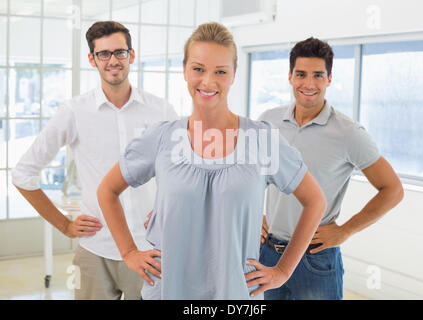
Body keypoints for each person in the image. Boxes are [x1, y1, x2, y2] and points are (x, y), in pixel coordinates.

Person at [97, 22, 326, 300]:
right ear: (184, 70)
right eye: (198, 69)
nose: (208, 81)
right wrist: (129, 252)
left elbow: (315, 201)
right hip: (167, 291)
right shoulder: (161, 137)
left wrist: (283, 270)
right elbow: (107, 190)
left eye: (220, 71)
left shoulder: (261, 139)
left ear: (233, 75)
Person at [11, 21, 178, 300]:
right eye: (104, 54)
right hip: (95, 249)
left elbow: (183, 172)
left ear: (131, 55)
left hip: (150, 247)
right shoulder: (74, 112)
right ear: (92, 59)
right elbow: (23, 174)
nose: (113, 60)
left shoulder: (161, 110)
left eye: (120, 52)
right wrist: (64, 225)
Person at [258, 37, 404, 300]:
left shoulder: (348, 133)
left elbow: (392, 189)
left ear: (329, 79)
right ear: (290, 76)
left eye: (318, 75)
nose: (309, 84)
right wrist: (254, 217)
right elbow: (250, 176)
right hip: (268, 253)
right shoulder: (269, 121)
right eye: (301, 74)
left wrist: (345, 230)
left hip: (315, 258)